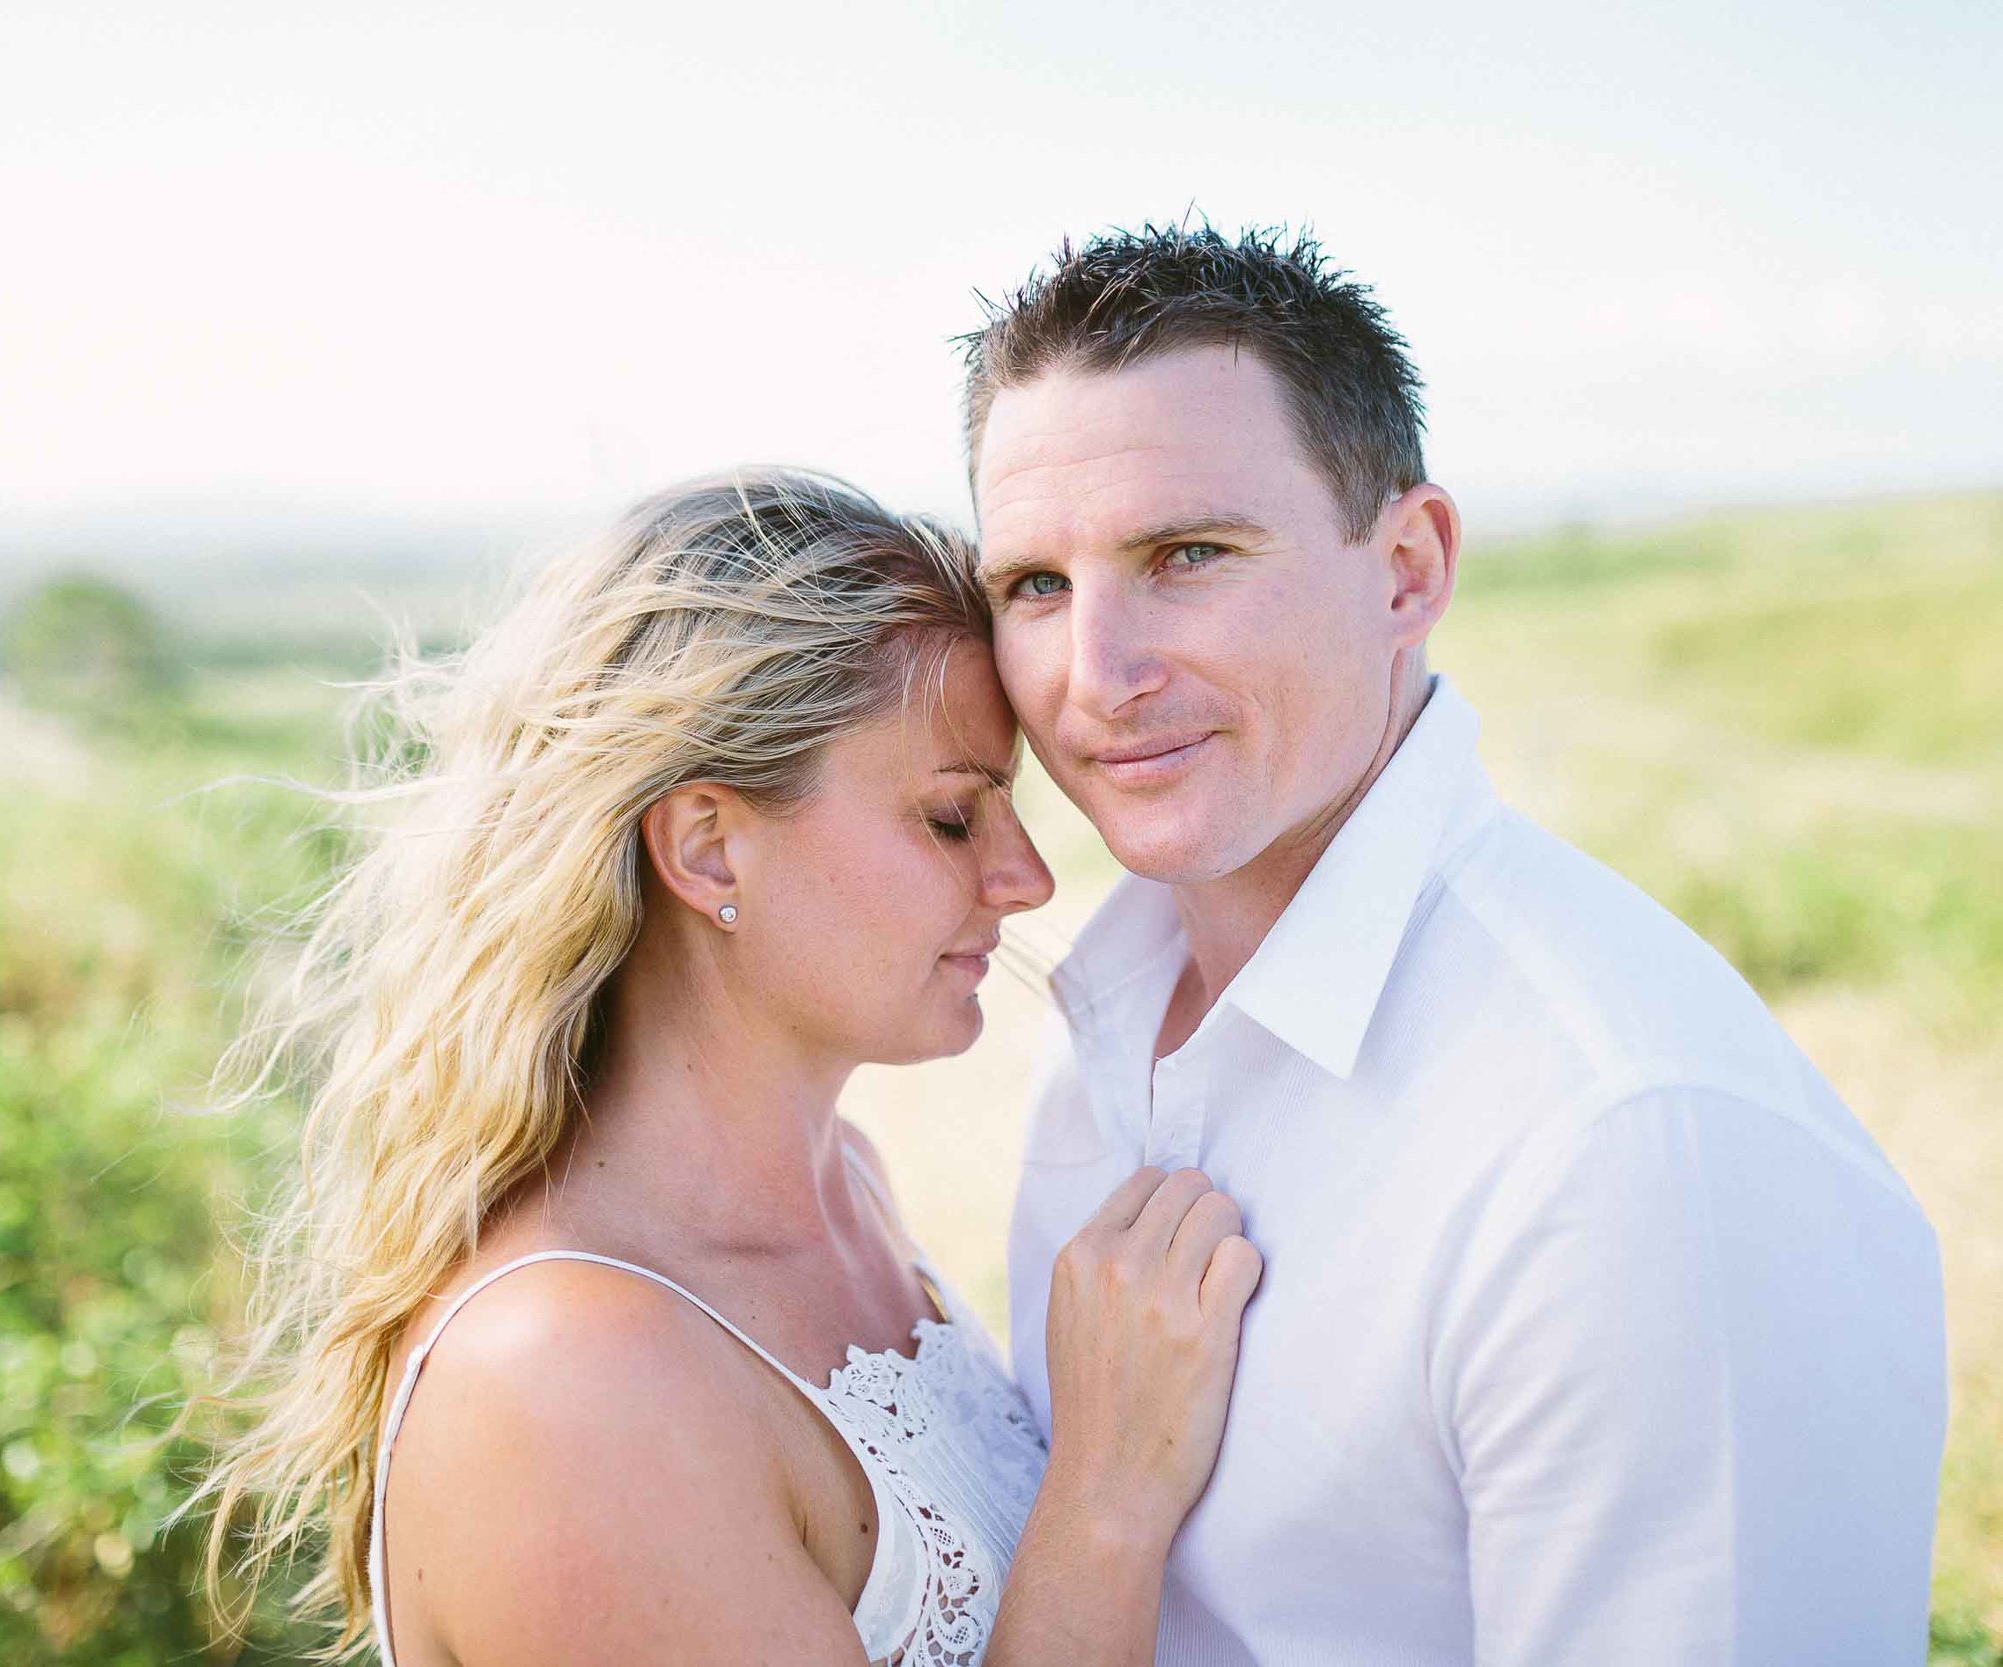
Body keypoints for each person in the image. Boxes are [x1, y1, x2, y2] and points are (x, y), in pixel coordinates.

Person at [974, 223, 1950, 1665]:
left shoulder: (1626, 1145)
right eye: (1035, 586)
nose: (1095, 675)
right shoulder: (1098, 1026)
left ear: (1409, 567)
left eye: (1188, 555)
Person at [184, 471, 1263, 1666]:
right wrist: (1109, 1496)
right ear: (707, 847)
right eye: (954, 818)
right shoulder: (568, 1383)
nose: (1024, 878)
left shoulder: (843, 1187)